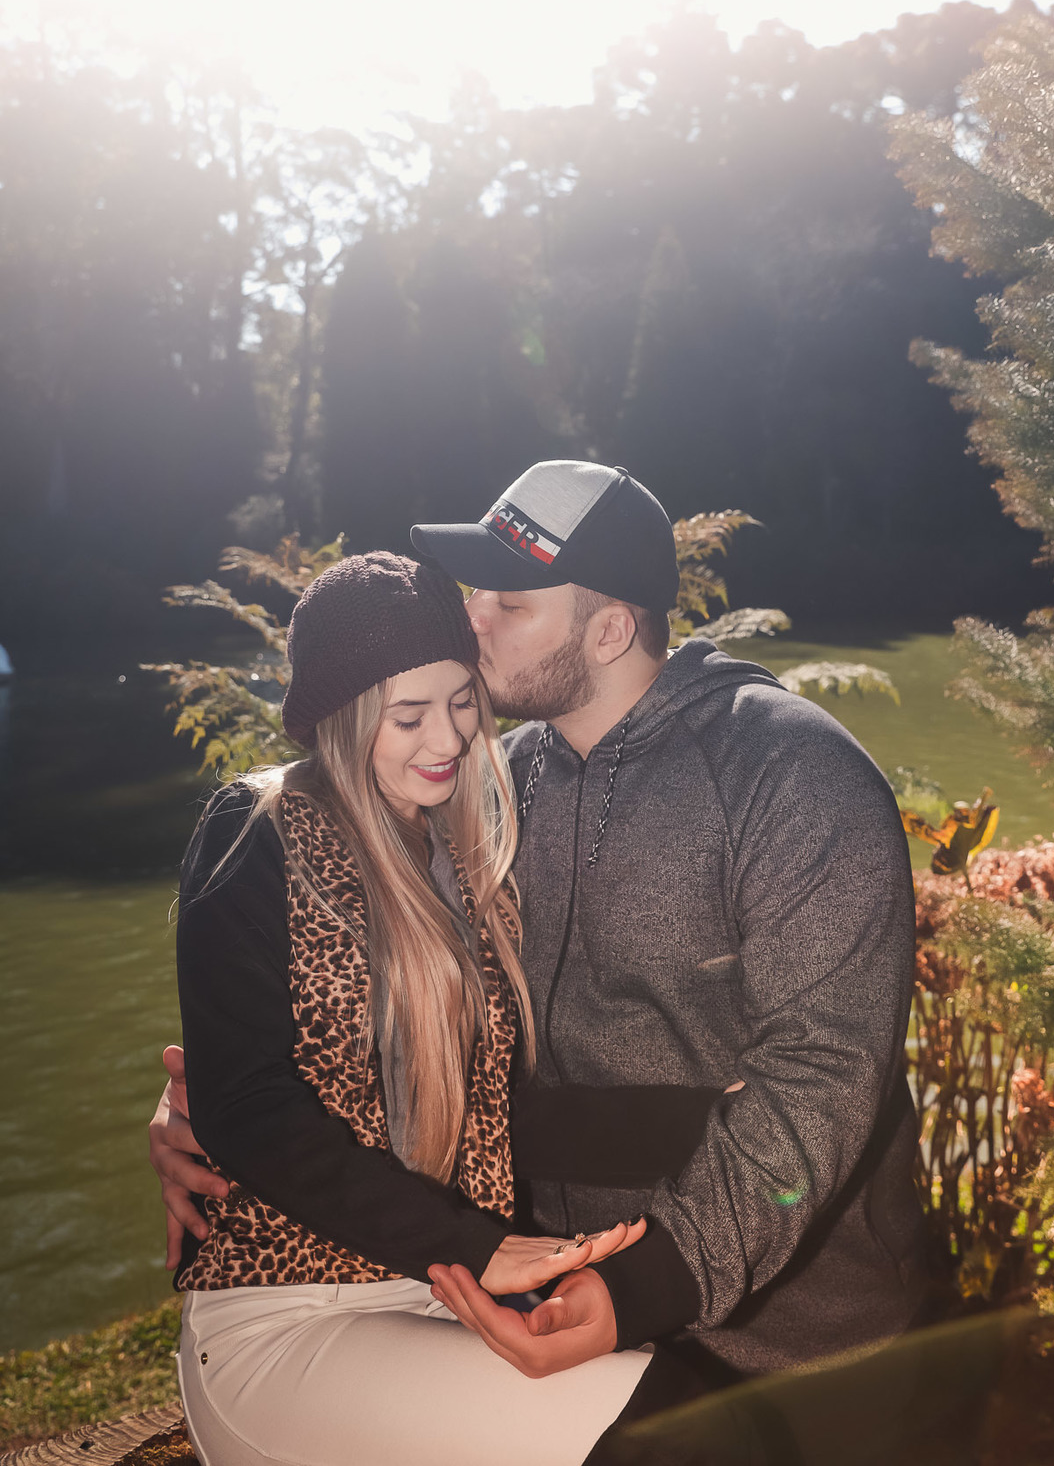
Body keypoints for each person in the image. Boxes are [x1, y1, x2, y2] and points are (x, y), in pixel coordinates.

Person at [153, 461, 926, 1422]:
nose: (467, 618)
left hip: (799, 1341)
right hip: (532, 1311)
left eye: (507, 603)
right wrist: (202, 1107)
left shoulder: (795, 775)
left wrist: (649, 1279)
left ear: (607, 628)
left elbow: (825, 1073)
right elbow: (330, 942)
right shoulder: (485, 790)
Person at [168, 548, 652, 1466]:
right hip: (288, 1312)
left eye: (463, 701)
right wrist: (472, 1244)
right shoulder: (256, 829)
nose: (450, 739)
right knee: (647, 1435)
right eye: (409, 714)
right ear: (343, 718)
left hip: (443, 1295)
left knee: (687, 1404)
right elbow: (245, 1106)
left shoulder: (472, 853)